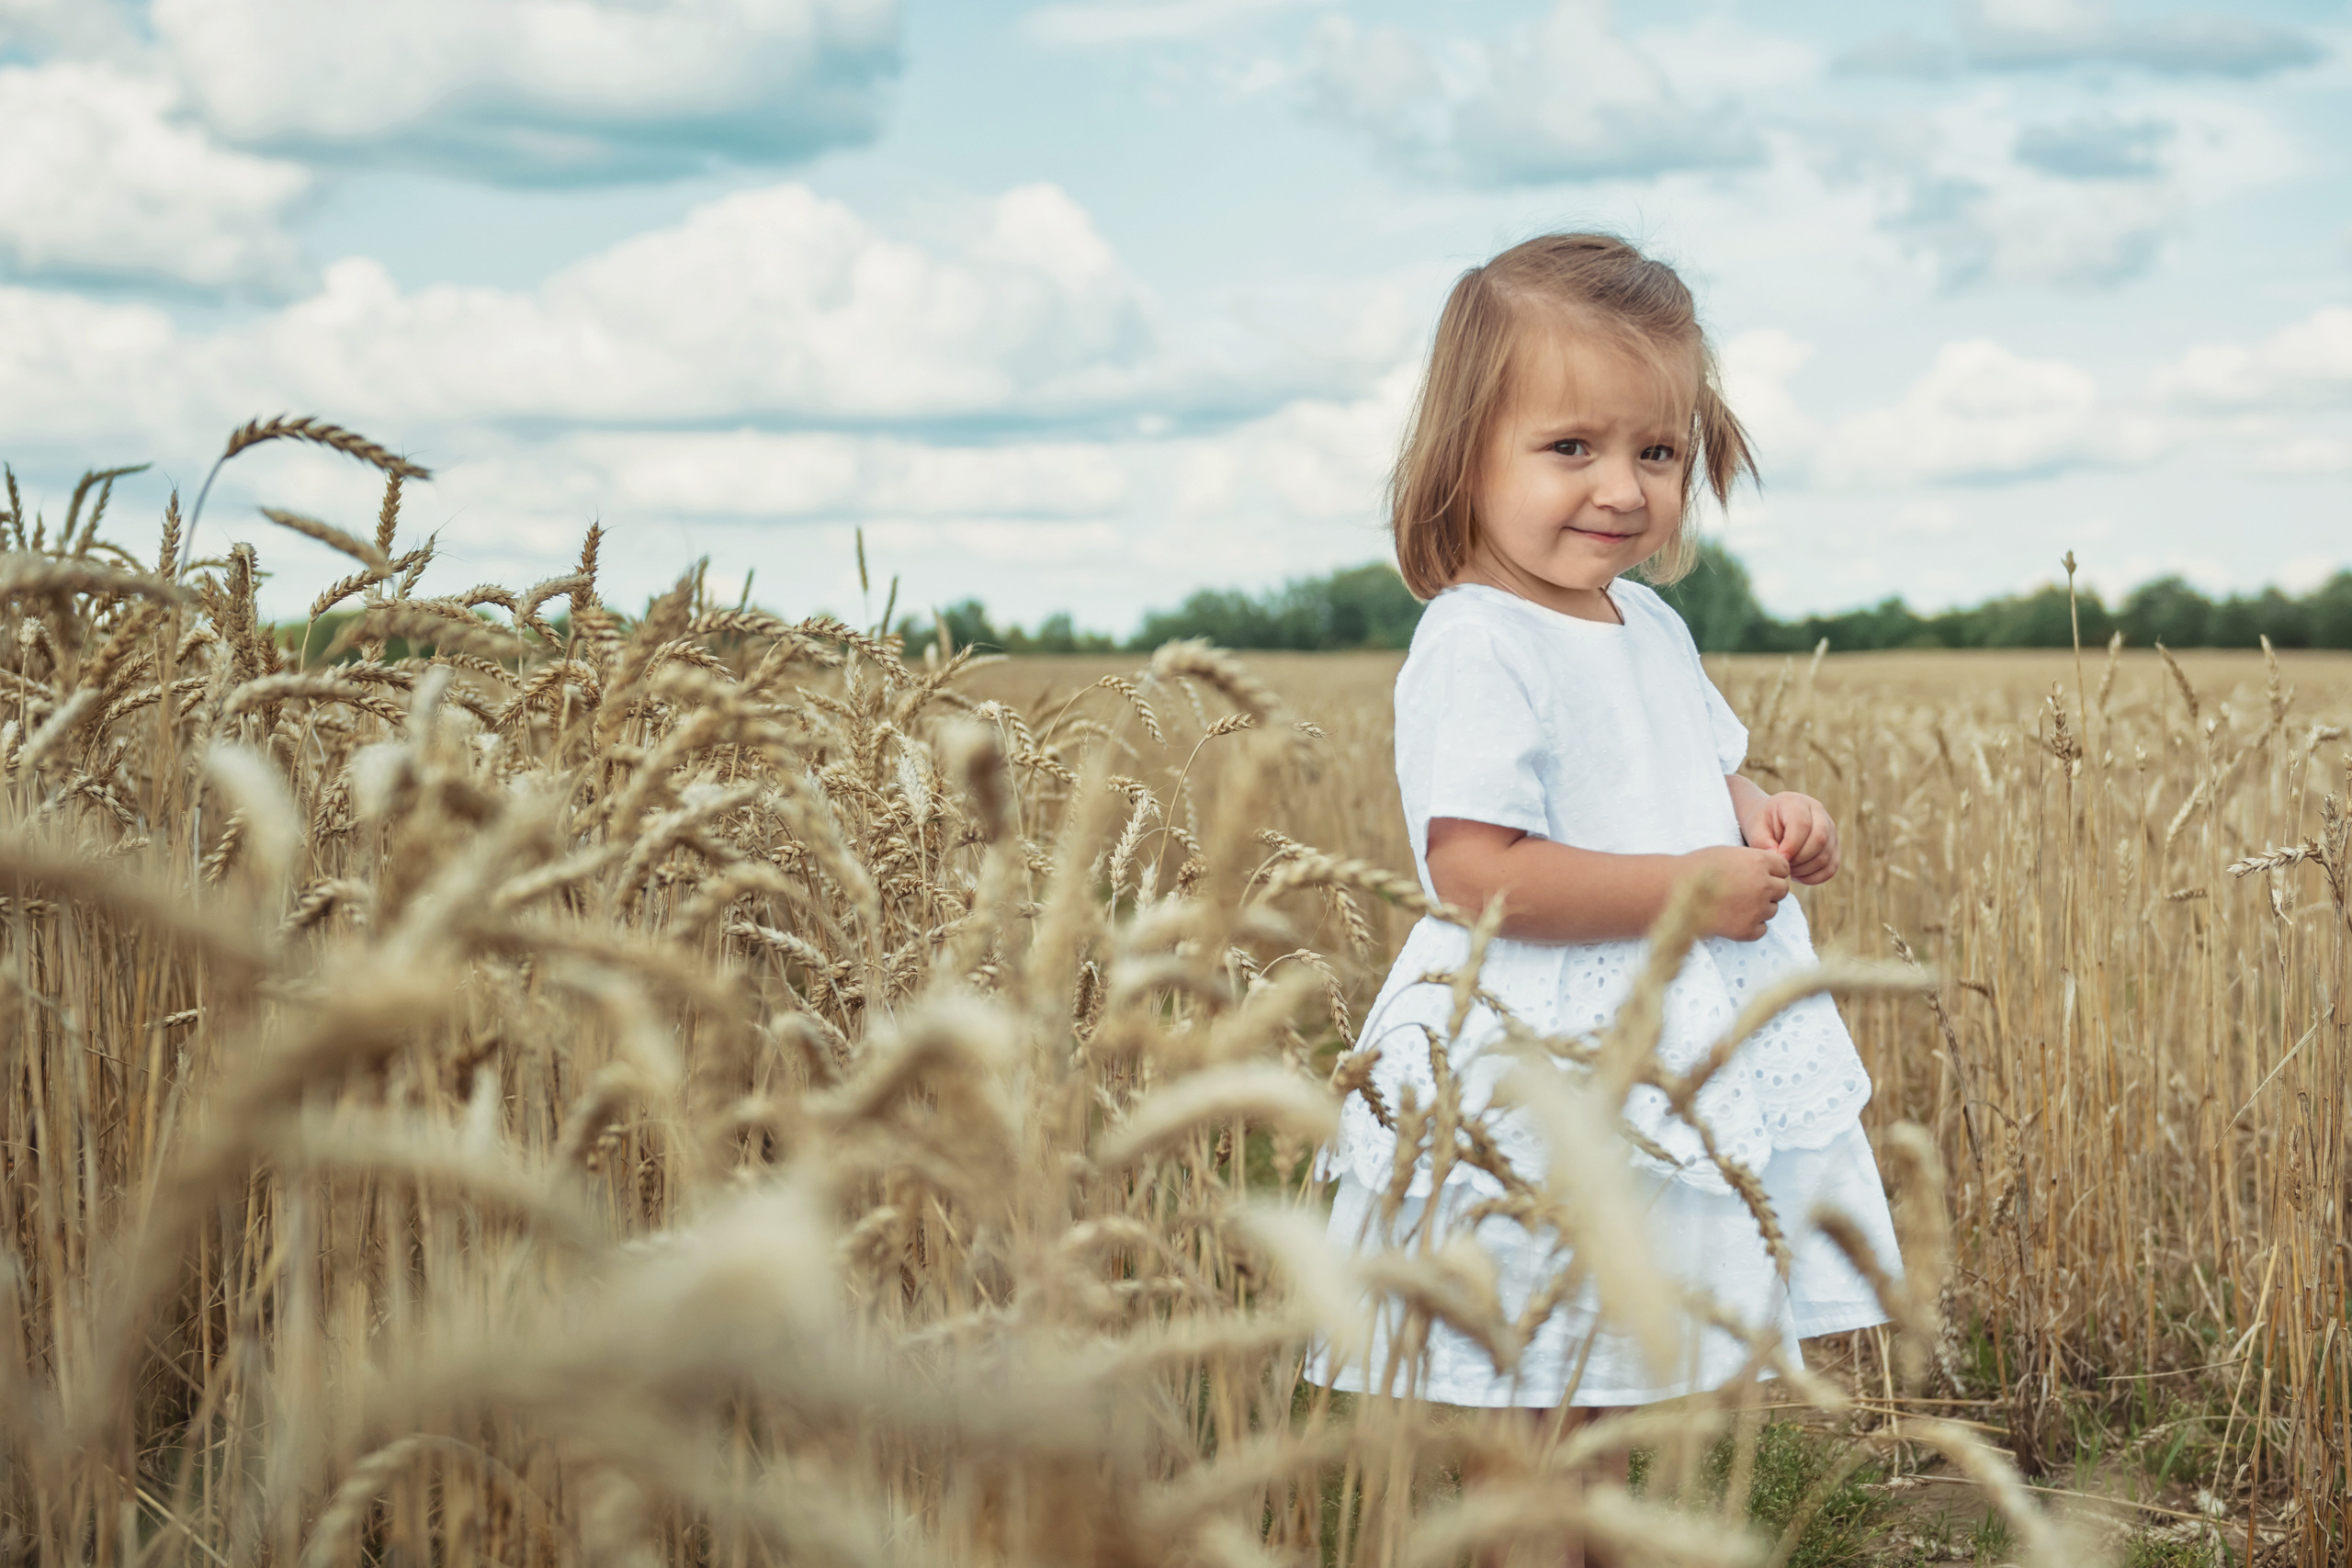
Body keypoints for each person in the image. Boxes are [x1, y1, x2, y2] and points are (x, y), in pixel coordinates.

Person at [1310, 234, 1903, 1555]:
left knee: (1627, 1381)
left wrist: (1767, 820)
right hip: (1542, 1061)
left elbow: (1701, 775)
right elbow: (1475, 871)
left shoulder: (1650, 623)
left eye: (1659, 451)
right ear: (1466, 456)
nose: (1622, 489)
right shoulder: (1476, 638)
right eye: (1570, 448)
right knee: (1541, 1378)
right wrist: (1686, 890)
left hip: (1667, 1054)